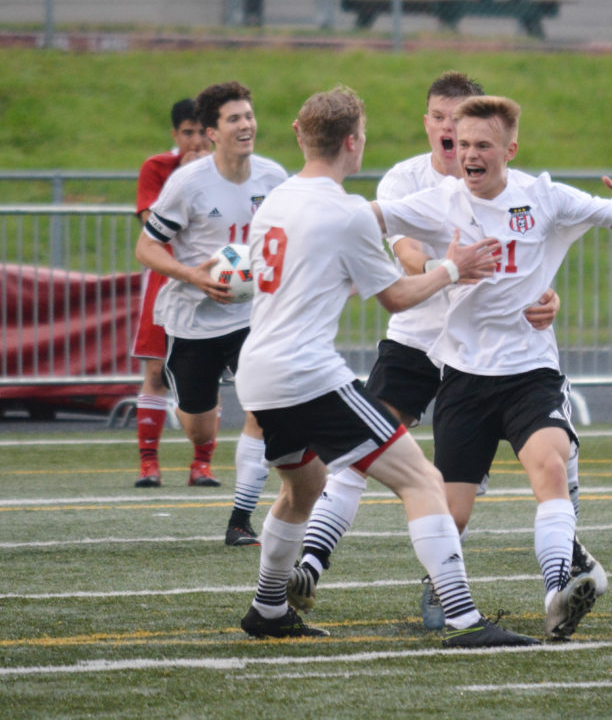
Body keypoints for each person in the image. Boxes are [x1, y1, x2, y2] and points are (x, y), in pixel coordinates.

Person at [287, 72, 605, 626]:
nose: (451, 132)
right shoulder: (405, 180)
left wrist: (545, 297)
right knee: (363, 448)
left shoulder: (513, 185)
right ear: (429, 122)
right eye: (440, 118)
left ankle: (565, 567)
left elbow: (530, 251)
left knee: (553, 460)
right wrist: (453, 269)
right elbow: (406, 254)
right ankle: (311, 562)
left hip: (495, 352)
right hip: (418, 341)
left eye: (462, 123)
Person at [235, 85, 537, 647]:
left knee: (305, 488)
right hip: (307, 375)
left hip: (258, 373)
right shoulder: (347, 212)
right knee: (421, 479)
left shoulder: (276, 199)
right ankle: (467, 620)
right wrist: (453, 267)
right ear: (353, 143)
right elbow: (397, 296)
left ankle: (268, 608)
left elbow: (306, 274)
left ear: (302, 135)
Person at [374, 94, 612, 639]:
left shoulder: (544, 196)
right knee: (450, 514)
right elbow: (372, 218)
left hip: (530, 374)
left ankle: (558, 592)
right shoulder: (440, 201)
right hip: (462, 378)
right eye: (463, 146)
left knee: (550, 469)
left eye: (483, 146)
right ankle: (447, 591)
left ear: (510, 150)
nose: (469, 156)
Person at [135, 81, 286, 546]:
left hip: (253, 318)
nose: (246, 125)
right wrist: (193, 275)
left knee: (264, 409)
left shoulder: (273, 178)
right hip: (194, 319)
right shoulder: (188, 183)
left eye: (249, 116)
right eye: (234, 119)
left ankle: (240, 519)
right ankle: (203, 436)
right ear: (212, 132)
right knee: (199, 422)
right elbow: (146, 246)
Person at [131, 98, 210, 487]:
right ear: (175, 135)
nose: (195, 140)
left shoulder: (230, 172)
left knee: (206, 375)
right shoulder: (158, 168)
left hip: (214, 283)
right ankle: (149, 463)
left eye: (202, 132)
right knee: (156, 371)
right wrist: (184, 176)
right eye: (187, 132)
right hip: (166, 280)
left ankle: (202, 464)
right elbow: (153, 226)